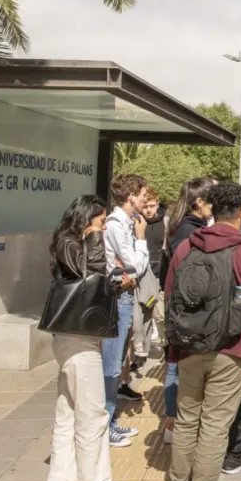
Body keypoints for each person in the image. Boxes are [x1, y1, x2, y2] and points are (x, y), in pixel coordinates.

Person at [165, 181, 241, 481]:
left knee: (187, 417)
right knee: (215, 423)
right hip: (231, 346)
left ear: (211, 208)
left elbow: (170, 294)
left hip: (188, 346)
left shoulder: (187, 246)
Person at [45, 195, 128, 481]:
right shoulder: (69, 243)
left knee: (68, 411)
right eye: (101, 221)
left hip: (71, 336)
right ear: (86, 218)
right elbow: (90, 269)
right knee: (92, 412)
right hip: (78, 339)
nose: (104, 227)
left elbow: (91, 279)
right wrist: (94, 236)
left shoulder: (67, 243)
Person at [161, 177, 216, 444]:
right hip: (184, 309)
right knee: (175, 366)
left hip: (181, 307)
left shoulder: (187, 225)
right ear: (199, 202)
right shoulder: (187, 230)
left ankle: (174, 422)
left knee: (177, 364)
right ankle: (172, 423)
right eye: (212, 200)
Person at [102, 174, 149, 447]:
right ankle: (105, 425)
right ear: (131, 196)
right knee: (111, 365)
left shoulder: (126, 224)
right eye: (142, 195)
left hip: (125, 296)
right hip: (118, 297)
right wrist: (141, 240)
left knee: (118, 361)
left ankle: (110, 420)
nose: (145, 199)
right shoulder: (116, 225)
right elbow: (134, 267)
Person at [131, 188, 166, 375]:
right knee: (141, 318)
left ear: (158, 205)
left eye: (153, 206)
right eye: (146, 206)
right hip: (141, 277)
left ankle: (165, 345)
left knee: (159, 316)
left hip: (158, 278)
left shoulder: (165, 223)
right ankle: (140, 353)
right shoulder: (136, 222)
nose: (149, 210)